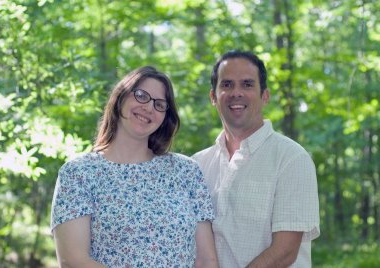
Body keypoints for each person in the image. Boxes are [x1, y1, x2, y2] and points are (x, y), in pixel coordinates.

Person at [51, 66, 218, 268]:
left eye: (159, 104)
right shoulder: (79, 173)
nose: (149, 107)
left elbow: (206, 260)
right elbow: (74, 260)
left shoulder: (187, 171)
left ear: (166, 117)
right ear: (120, 98)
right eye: (141, 96)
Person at [192, 50, 320, 268]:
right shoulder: (197, 165)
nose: (237, 93)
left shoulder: (291, 159)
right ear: (213, 97)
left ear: (265, 96)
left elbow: (285, 251)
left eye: (247, 84)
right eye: (227, 85)